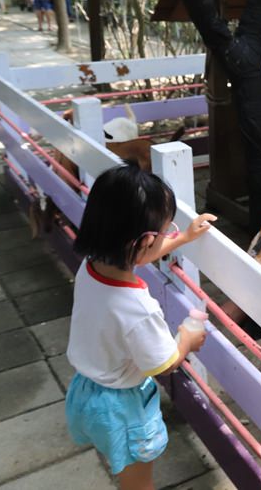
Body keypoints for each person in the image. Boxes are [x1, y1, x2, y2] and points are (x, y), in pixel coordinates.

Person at [65, 163, 217, 489]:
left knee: (117, 458)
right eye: (166, 229)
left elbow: (139, 254)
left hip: (86, 392)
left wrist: (184, 236)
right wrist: (187, 340)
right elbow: (163, 362)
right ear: (145, 239)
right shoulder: (138, 310)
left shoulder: (91, 266)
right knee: (138, 484)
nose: (168, 233)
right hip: (122, 408)